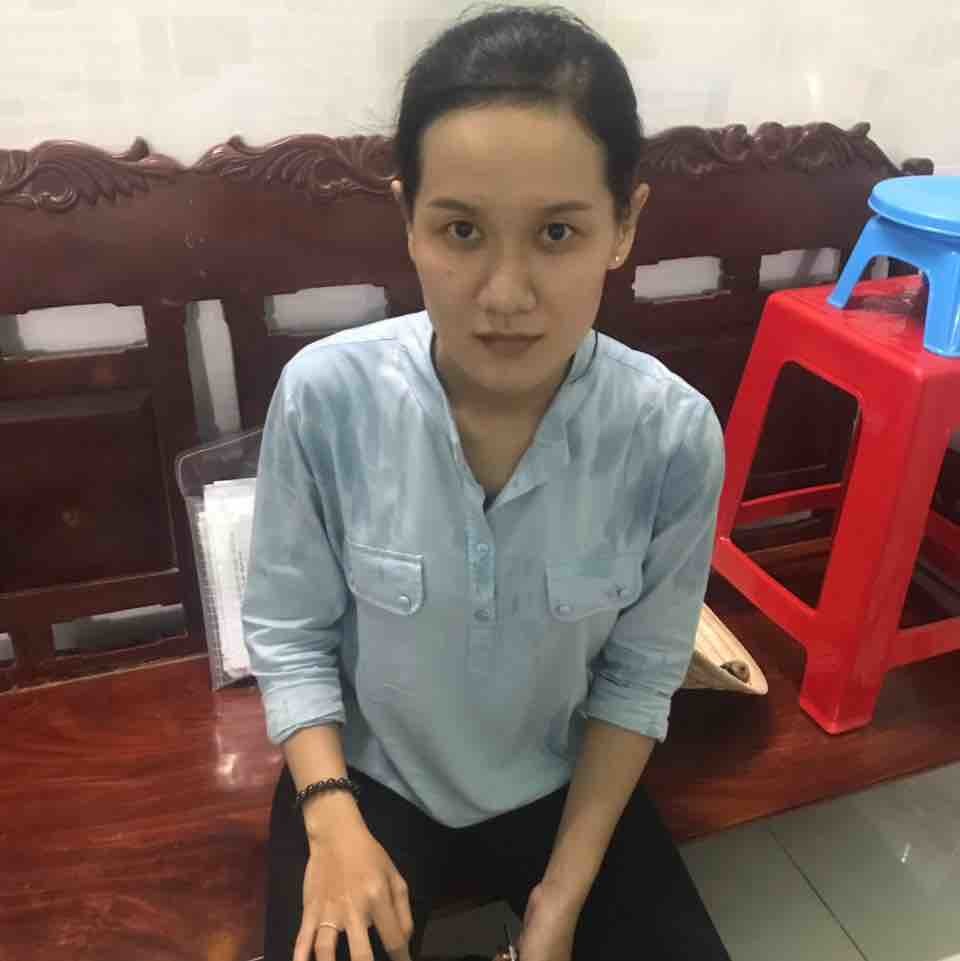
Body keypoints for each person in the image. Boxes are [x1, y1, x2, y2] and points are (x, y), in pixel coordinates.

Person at [242, 5, 728, 961]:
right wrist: (330, 819)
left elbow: (638, 678)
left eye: (558, 232)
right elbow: (290, 634)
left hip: (561, 778)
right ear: (407, 220)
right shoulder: (327, 399)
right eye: (461, 230)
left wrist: (558, 903)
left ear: (624, 225)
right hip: (370, 775)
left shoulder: (670, 436)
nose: (506, 294)